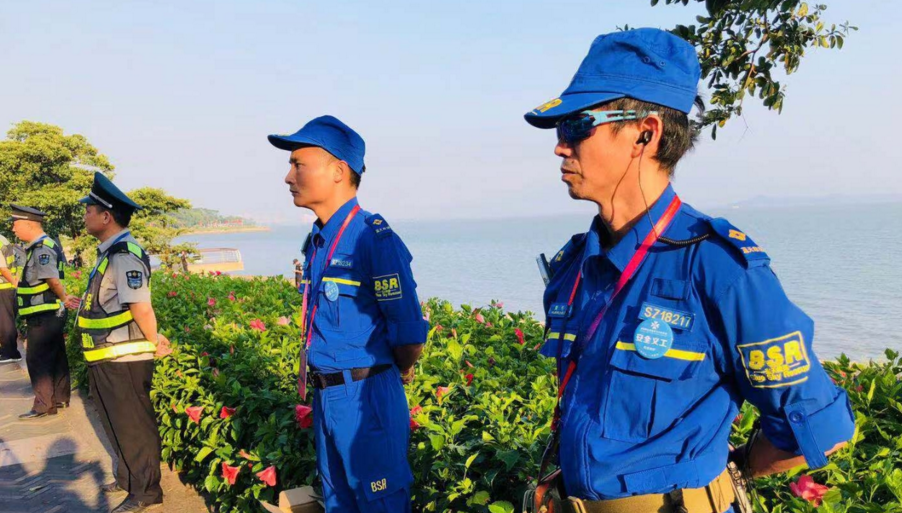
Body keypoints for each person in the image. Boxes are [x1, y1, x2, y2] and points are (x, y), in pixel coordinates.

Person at [525, 29, 855, 512]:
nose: (560, 146)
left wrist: (733, 471)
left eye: (577, 125)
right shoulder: (574, 268)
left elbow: (821, 427)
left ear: (646, 132)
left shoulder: (720, 269)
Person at [268, 116, 428, 513]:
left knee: (380, 504)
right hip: (327, 397)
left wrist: (394, 370)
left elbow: (409, 333)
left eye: (298, 164)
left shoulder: (372, 239)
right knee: (337, 503)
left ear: (338, 171)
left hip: (365, 398)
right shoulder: (318, 241)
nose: (288, 177)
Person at [65, 172, 172, 513]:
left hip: (124, 358)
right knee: (116, 423)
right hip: (106, 355)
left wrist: (155, 340)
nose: (85, 216)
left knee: (133, 426)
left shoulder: (124, 254)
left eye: (89, 211)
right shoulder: (109, 252)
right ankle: (128, 478)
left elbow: (140, 305)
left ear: (106, 216)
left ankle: (146, 492)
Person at [10, 204, 71, 420]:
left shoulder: (41, 249)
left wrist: (64, 298)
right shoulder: (45, 245)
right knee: (56, 355)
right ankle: (60, 397)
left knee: (37, 359)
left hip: (43, 312)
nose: (13, 229)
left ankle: (43, 405)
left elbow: (51, 279)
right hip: (50, 312)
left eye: (16, 224)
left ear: (29, 225)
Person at [0, 234, 24, 364]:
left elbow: (3, 268)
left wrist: (15, 284)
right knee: (6, 320)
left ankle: (10, 352)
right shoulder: (3, 239)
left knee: (5, 322)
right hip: (7, 287)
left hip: (3, 287)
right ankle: (8, 350)